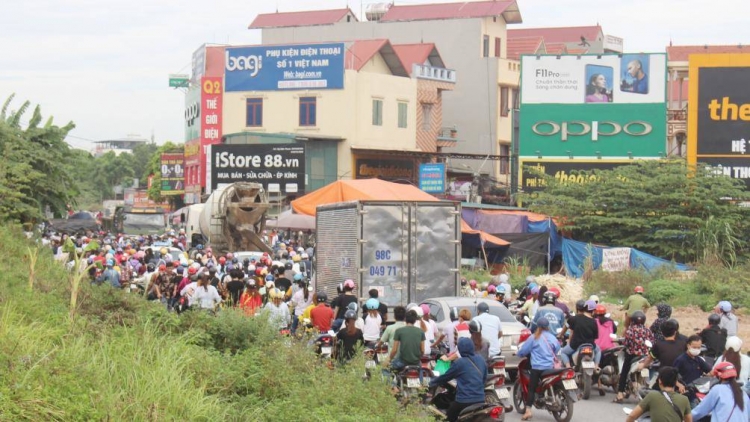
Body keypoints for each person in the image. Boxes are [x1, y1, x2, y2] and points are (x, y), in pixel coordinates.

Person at [429, 337, 487, 422]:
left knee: (449, 417)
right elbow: (484, 379)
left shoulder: (459, 362)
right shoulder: (481, 359)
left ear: (460, 349)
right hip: (481, 399)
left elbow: (445, 377)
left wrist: (431, 382)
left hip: (463, 401)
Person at [517, 317, 560, 421]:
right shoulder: (552, 337)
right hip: (550, 367)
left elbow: (524, 350)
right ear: (547, 327)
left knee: (531, 388)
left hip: (537, 368)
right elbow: (557, 348)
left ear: (538, 327)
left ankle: (528, 411)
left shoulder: (534, 337)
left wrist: (518, 353)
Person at [626, 366, 692, 422]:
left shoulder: (652, 396)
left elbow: (632, 415)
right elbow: (689, 420)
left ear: (660, 381)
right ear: (675, 382)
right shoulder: (684, 400)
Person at [616, 311, 654, 403]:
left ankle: (620, 393)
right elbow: (652, 341)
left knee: (624, 372)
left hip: (632, 355)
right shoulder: (648, 330)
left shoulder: (630, 330)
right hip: (645, 356)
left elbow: (626, 343)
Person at [561, 299, 600, 368]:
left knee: (563, 352)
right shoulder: (594, 322)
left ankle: (568, 367)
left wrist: (560, 335)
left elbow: (566, 327)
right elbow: (595, 337)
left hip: (575, 345)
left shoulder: (574, 319)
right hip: (590, 345)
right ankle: (596, 366)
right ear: (593, 311)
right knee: (598, 351)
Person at [673, 335, 712, 401]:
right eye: (694, 347)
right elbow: (671, 376)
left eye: (698, 347)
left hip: (696, 394)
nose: (696, 349)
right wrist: (679, 385)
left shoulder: (699, 360)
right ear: (688, 346)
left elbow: (710, 372)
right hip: (683, 394)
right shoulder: (680, 360)